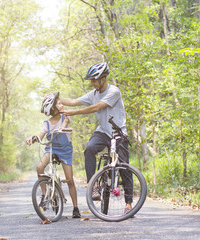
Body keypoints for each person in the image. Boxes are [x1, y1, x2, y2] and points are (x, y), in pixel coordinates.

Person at [60, 62, 132, 213]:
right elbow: (73, 101)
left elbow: (97, 107)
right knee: (90, 149)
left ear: (103, 79)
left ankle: (128, 204)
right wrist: (56, 98)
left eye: (94, 80)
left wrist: (73, 113)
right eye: (91, 80)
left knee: (125, 166)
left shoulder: (114, 91)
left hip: (118, 132)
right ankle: (93, 185)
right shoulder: (93, 94)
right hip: (103, 131)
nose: (92, 83)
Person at [26, 92, 81, 218]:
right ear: (53, 108)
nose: (62, 105)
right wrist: (33, 138)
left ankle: (76, 207)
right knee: (39, 167)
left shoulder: (65, 117)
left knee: (70, 180)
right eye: (59, 104)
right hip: (51, 148)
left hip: (65, 150)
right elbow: (40, 136)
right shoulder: (47, 123)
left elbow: (64, 124)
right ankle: (45, 196)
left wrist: (61, 128)